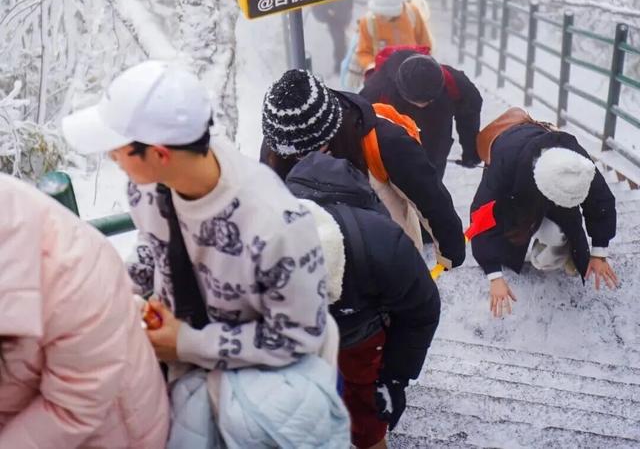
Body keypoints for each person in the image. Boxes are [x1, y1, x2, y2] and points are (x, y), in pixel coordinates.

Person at [63, 60, 348, 447]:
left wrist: (186, 343)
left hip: (253, 400)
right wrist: (118, 295)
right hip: (181, 377)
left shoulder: (274, 223)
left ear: (160, 154)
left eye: (117, 149)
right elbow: (153, 242)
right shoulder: (145, 187)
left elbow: (298, 337)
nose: (111, 158)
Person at [273, 150, 440, 449]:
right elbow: (421, 310)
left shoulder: (383, 243)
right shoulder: (383, 238)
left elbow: (422, 310)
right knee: (356, 406)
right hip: (344, 334)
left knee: (348, 402)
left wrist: (395, 377)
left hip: (332, 334)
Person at [0, 173, 169, 449]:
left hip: (112, 432)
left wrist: (189, 341)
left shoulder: (72, 278)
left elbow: (75, 406)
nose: (118, 161)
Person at [261, 68, 465, 268]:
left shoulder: (384, 141)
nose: (304, 161)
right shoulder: (281, 141)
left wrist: (449, 251)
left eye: (312, 153)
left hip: (388, 264)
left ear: (330, 131)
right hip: (318, 267)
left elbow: (429, 196)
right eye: (294, 157)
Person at [469, 112, 618, 318]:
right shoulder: (505, 161)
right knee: (513, 234)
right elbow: (481, 215)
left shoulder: (579, 164)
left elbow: (601, 201)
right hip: (516, 185)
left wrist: (599, 252)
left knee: (550, 251)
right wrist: (494, 275)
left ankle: (557, 245)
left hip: (544, 183)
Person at [360, 50, 483, 178]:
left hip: (435, 148)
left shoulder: (454, 82)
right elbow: (358, 123)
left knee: (431, 182)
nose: (422, 105)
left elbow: (469, 114)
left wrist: (471, 151)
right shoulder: (377, 90)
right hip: (391, 152)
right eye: (416, 101)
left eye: (429, 100)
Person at [355, 0, 435, 78]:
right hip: (382, 77)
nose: (379, 17)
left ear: (396, 10)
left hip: (411, 75)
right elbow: (363, 52)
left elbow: (425, 44)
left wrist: (423, 66)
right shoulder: (367, 22)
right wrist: (371, 66)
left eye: (384, 14)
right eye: (378, 13)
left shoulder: (412, 14)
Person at [311, 0, 354, 73]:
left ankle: (343, 61)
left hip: (343, 13)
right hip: (334, 18)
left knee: (342, 40)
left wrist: (349, 10)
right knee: (339, 41)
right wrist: (328, 12)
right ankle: (340, 64)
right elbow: (317, 4)